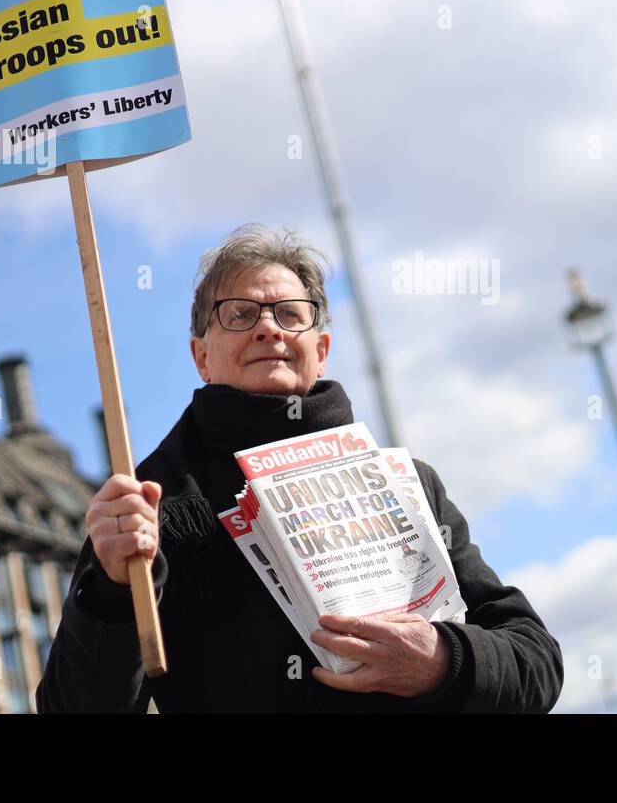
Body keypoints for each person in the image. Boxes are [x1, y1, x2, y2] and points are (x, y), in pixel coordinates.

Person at [36, 224, 563, 712]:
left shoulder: (411, 483)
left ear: (322, 349)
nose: (268, 328)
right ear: (201, 357)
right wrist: (112, 589)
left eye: (289, 314)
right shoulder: (151, 505)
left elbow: (536, 662)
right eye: (239, 315)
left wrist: (443, 660)